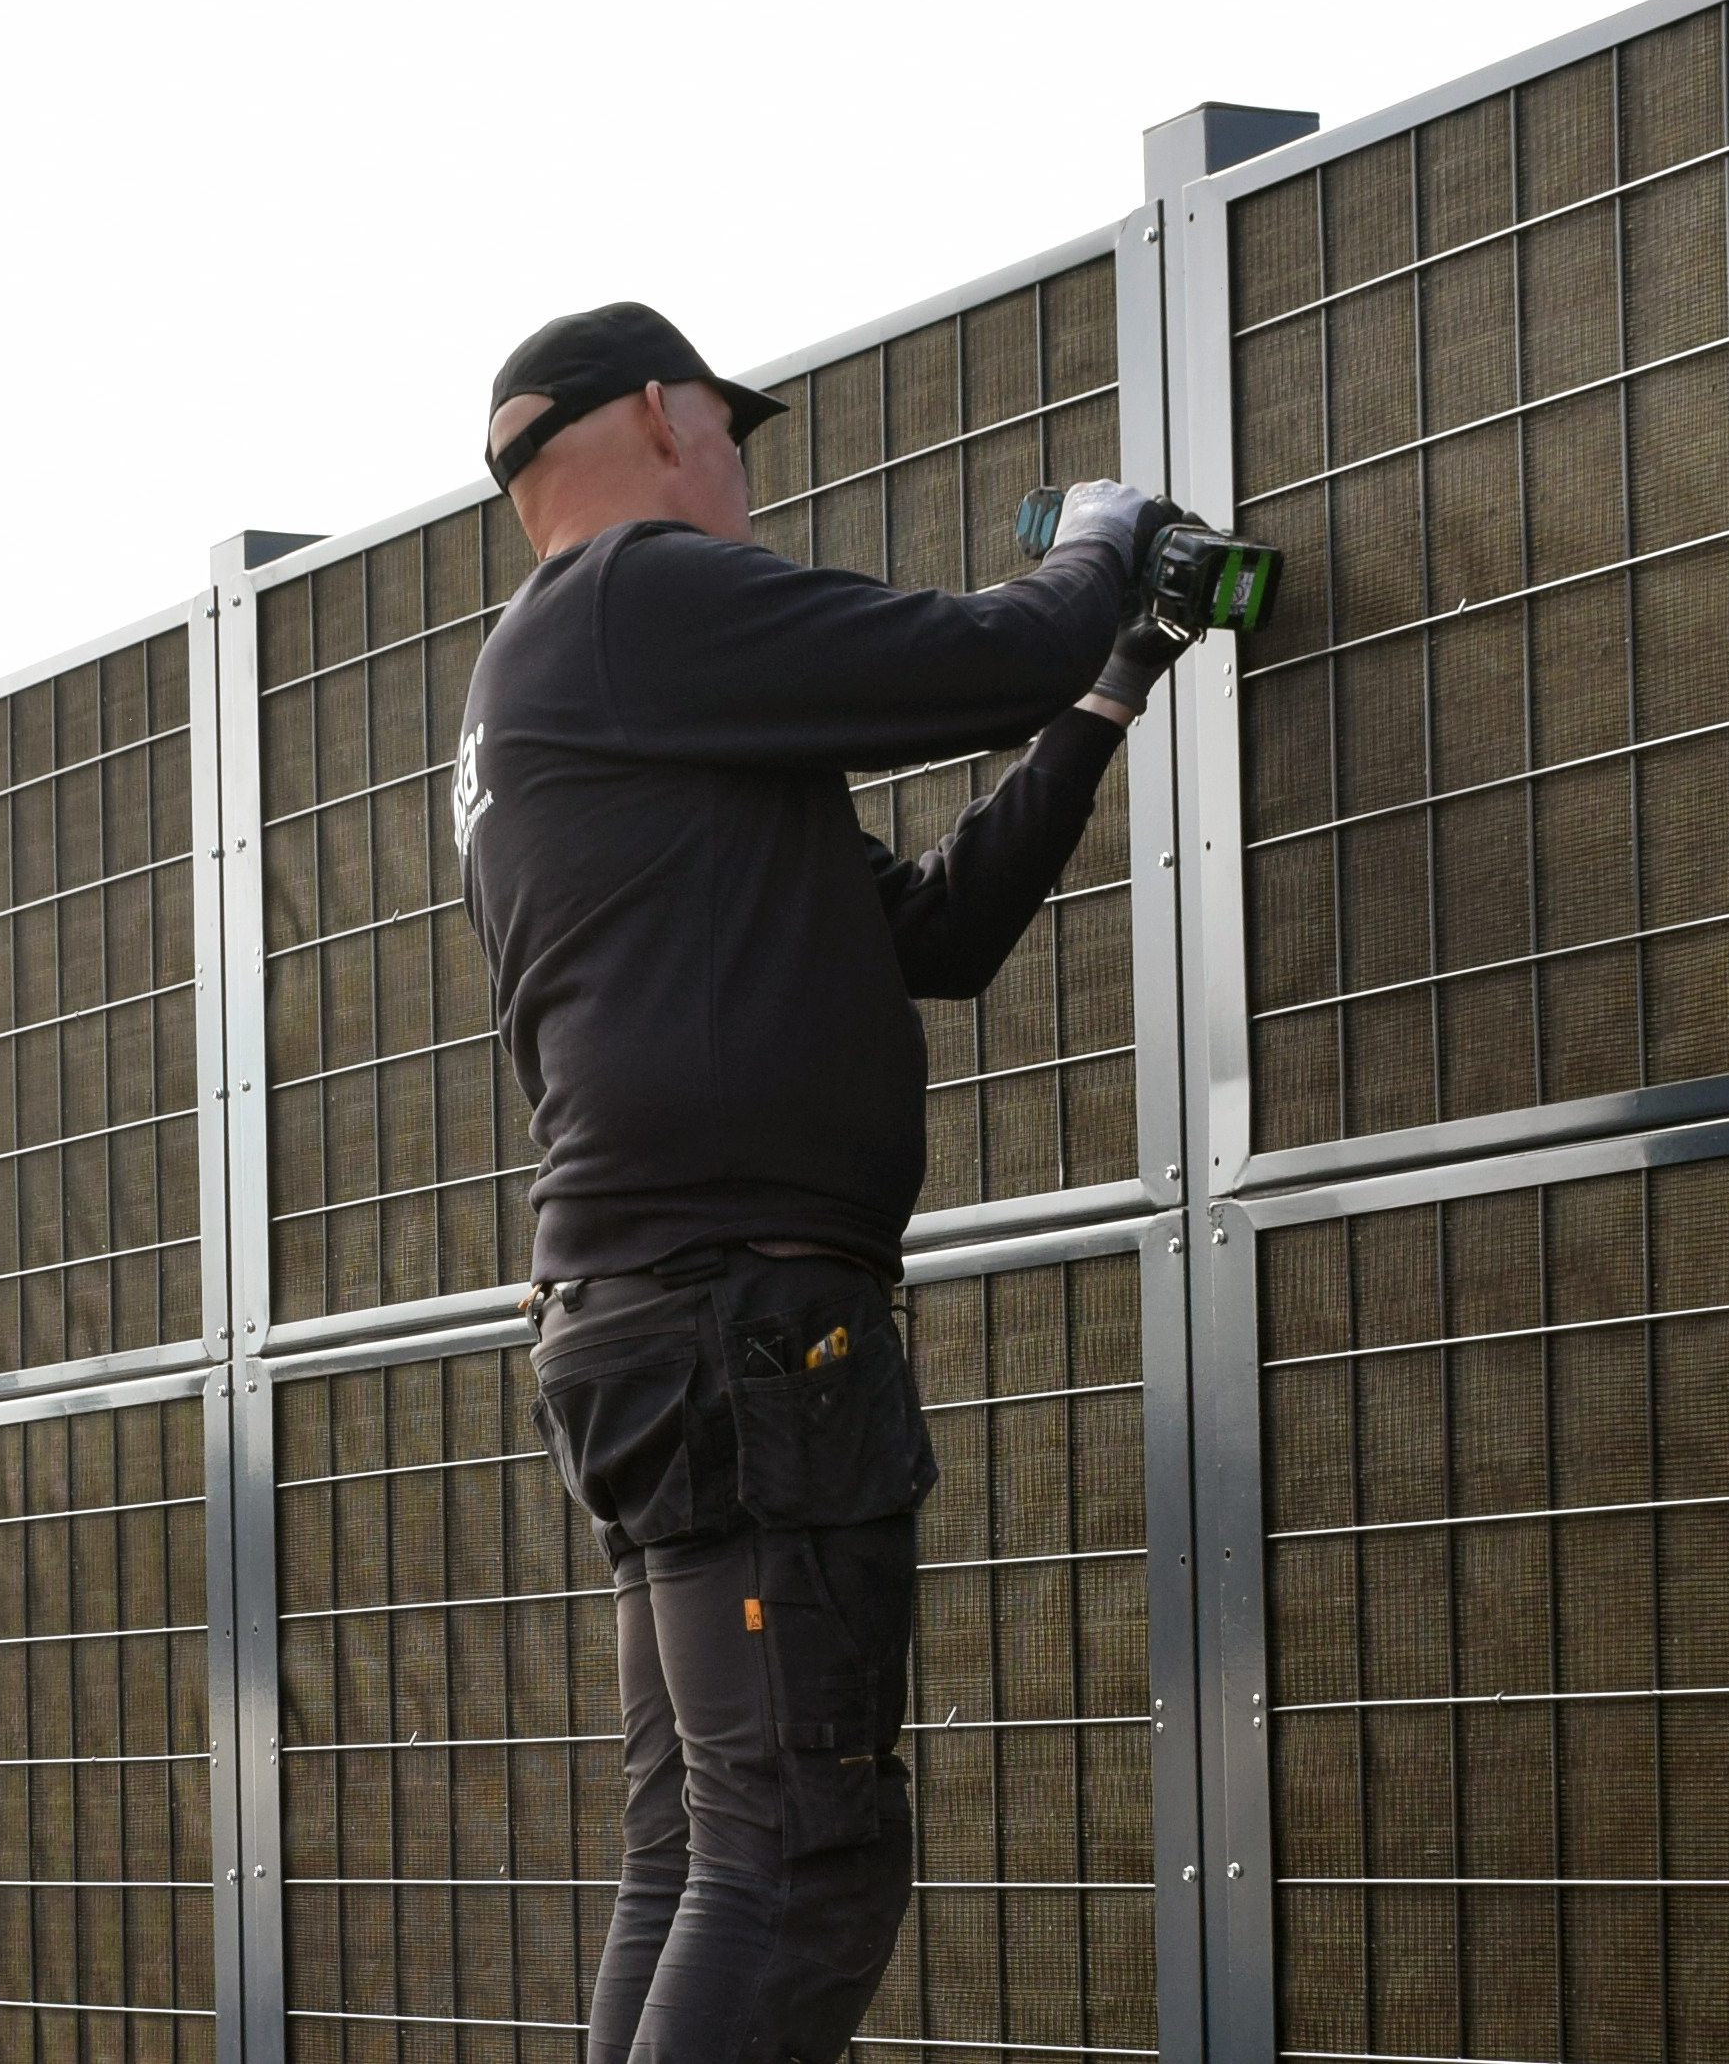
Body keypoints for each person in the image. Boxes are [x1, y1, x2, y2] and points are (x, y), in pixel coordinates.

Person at [456, 301, 1190, 2064]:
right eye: (731, 429)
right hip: (741, 1335)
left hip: (663, 1329)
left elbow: (932, 931)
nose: (742, 471)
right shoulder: (629, 596)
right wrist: (1101, 548)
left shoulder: (576, 692)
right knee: (800, 1864)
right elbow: (980, 652)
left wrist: (1102, 693)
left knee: (702, 1859)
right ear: (661, 411)